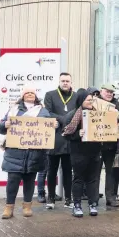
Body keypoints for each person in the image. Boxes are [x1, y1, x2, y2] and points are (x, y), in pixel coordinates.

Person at [0, 85, 58, 219]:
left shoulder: (43, 111)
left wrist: (55, 125)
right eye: (27, 93)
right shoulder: (13, 110)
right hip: (15, 153)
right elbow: (1, 128)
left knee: (30, 180)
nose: (30, 94)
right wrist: (5, 125)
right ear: (22, 96)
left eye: (32, 93)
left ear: (36, 96)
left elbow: (49, 127)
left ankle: (27, 206)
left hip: (34, 154)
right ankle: (9, 207)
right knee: (12, 180)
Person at [62, 89, 102, 217]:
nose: (91, 102)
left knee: (92, 179)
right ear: (81, 101)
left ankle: (92, 204)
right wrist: (76, 135)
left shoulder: (98, 114)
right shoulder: (73, 115)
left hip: (94, 152)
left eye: (92, 100)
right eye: (88, 100)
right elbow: (66, 134)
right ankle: (77, 205)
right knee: (78, 179)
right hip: (78, 153)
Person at [43, 72, 77, 209]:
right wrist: (63, 119)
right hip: (54, 138)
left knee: (68, 170)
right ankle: (51, 198)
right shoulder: (50, 95)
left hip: (70, 139)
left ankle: (68, 198)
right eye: (63, 81)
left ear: (71, 82)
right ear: (59, 81)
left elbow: (78, 112)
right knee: (52, 170)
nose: (65, 83)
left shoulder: (75, 96)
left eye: (67, 81)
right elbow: (47, 113)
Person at [98, 84, 119, 208]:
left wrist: (117, 115)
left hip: (111, 144)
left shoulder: (117, 105)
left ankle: (111, 197)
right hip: (96, 144)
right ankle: (94, 197)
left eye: (111, 92)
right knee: (95, 172)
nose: (109, 94)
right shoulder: (94, 102)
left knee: (111, 172)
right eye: (107, 91)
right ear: (101, 91)